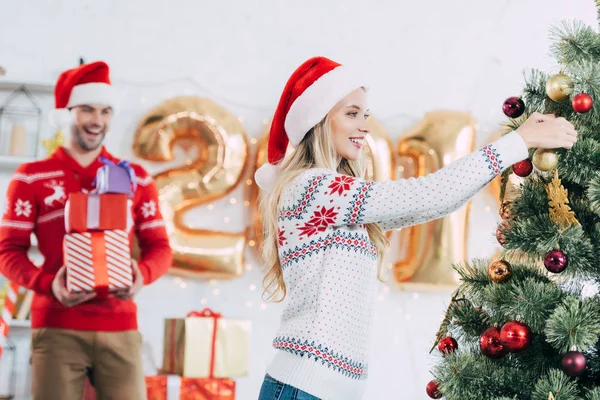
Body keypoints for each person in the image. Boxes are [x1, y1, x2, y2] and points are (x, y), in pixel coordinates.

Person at [254, 56, 577, 400]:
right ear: (317, 119)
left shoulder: (338, 201)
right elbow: (429, 193)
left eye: (365, 115)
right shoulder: (313, 188)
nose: (364, 126)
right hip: (304, 387)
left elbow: (439, 201)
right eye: (351, 113)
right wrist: (518, 141)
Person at [0, 61, 173, 400]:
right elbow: (7, 251)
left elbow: (160, 247)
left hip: (121, 327)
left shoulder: (135, 177)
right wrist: (47, 284)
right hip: (56, 326)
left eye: (106, 111)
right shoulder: (31, 177)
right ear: (67, 113)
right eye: (87, 110)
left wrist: (143, 274)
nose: (98, 120)